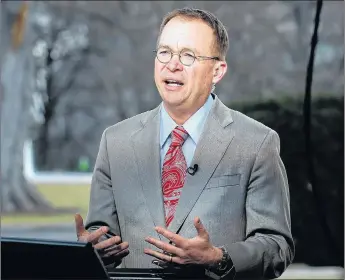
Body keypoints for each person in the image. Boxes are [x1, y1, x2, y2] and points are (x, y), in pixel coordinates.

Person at [75, 7, 295, 279]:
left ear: (217, 71)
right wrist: (92, 249)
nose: (172, 64)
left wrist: (218, 257)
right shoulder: (115, 141)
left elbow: (277, 247)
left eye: (188, 55)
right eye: (165, 52)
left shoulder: (256, 143)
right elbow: (101, 235)